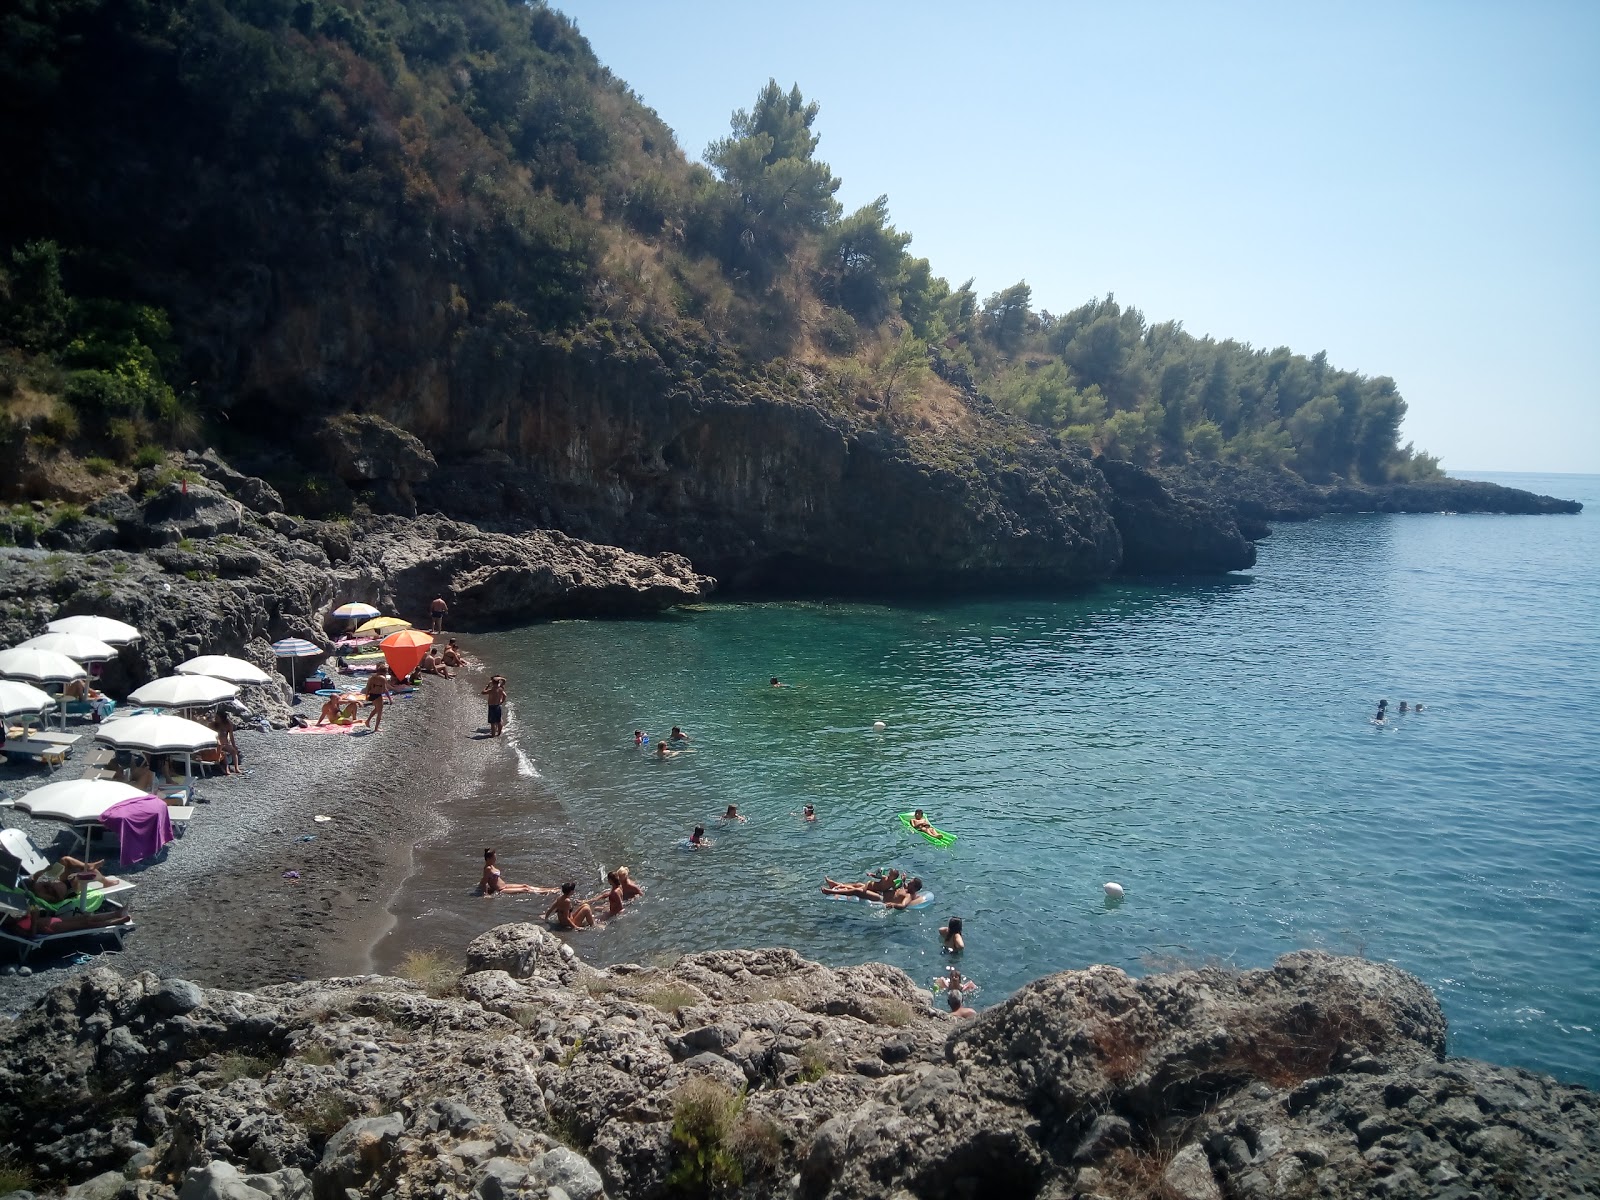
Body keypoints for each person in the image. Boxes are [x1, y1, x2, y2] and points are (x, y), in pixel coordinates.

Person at [28, 856, 119, 905]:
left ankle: (88, 866)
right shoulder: (40, 893)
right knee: (85, 873)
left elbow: (38, 876)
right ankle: (105, 881)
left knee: (65, 860)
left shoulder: (36, 882)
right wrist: (51, 886)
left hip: (61, 881)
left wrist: (47, 870)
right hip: (68, 892)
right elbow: (57, 898)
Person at [5, 904, 131, 937]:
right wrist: (34, 919)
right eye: (5, 916)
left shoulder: (17, 920)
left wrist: (31, 910)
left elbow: (32, 915)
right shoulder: (15, 928)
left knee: (86, 917)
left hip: (54, 920)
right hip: (51, 928)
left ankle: (116, 913)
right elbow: (31, 936)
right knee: (87, 924)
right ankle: (118, 921)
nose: (8, 915)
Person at [479, 849, 556, 897]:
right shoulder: (488, 868)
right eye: (494, 858)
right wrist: (486, 894)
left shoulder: (491, 866)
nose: (495, 859)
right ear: (488, 859)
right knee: (525, 889)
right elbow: (484, 882)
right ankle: (548, 892)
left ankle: (547, 889)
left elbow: (483, 880)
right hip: (500, 889)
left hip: (505, 885)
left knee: (525, 885)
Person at [212, 710, 242, 775]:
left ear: (222, 718)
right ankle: (226, 769)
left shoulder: (228, 724)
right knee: (224, 753)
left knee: (234, 751)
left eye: (217, 717)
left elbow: (231, 736)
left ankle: (236, 768)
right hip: (217, 744)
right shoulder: (213, 724)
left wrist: (234, 745)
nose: (215, 719)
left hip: (225, 743)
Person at [364, 666, 391, 731]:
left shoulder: (371, 678)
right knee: (379, 712)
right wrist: (388, 698)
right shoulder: (382, 678)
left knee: (376, 709)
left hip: (372, 695)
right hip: (378, 695)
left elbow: (367, 687)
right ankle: (376, 728)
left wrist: (367, 696)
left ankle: (367, 721)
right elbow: (384, 689)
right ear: (384, 672)